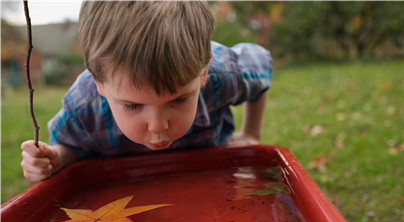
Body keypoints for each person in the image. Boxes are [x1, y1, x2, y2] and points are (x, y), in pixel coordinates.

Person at [20, 1, 272, 183]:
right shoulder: (84, 105)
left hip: (211, 182)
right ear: (99, 82)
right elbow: (72, 147)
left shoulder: (222, 73)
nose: (158, 126)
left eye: (180, 99)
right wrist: (55, 160)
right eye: (132, 106)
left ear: (203, 72)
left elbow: (261, 65)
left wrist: (250, 133)